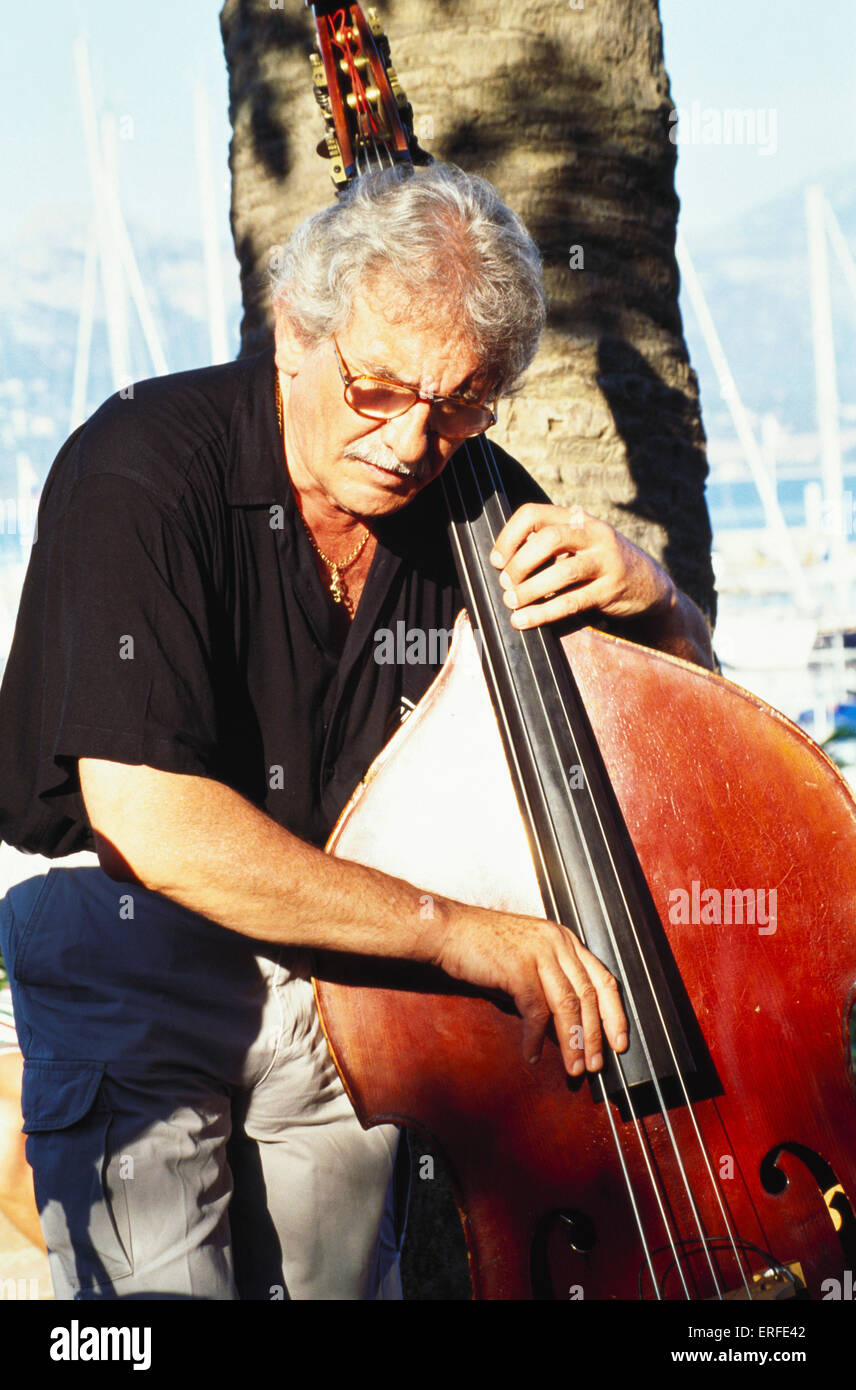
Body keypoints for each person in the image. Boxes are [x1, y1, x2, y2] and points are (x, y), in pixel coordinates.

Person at [0, 163, 713, 1300]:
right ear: (295, 331)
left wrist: (658, 606)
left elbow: (671, 759)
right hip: (141, 935)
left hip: (355, 975)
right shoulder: (138, 466)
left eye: (464, 403)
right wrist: (453, 932)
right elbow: (153, 823)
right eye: (379, 387)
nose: (413, 440)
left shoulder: (481, 497)